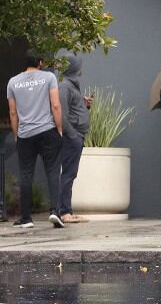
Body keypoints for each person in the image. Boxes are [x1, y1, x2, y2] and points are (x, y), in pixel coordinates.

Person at [6, 52, 64, 228]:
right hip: (47, 131)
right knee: (53, 172)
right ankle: (55, 212)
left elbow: (13, 112)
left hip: (25, 135)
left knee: (25, 175)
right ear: (40, 62)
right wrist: (59, 129)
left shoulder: (13, 82)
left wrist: (17, 135)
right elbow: (55, 105)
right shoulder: (49, 77)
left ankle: (26, 218)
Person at [57, 55, 92, 224]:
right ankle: (64, 212)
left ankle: (67, 210)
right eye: (79, 65)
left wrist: (85, 105)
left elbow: (72, 110)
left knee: (71, 173)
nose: (81, 68)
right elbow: (62, 115)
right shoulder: (65, 86)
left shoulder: (72, 86)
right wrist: (73, 135)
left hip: (76, 136)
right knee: (68, 174)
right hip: (73, 137)